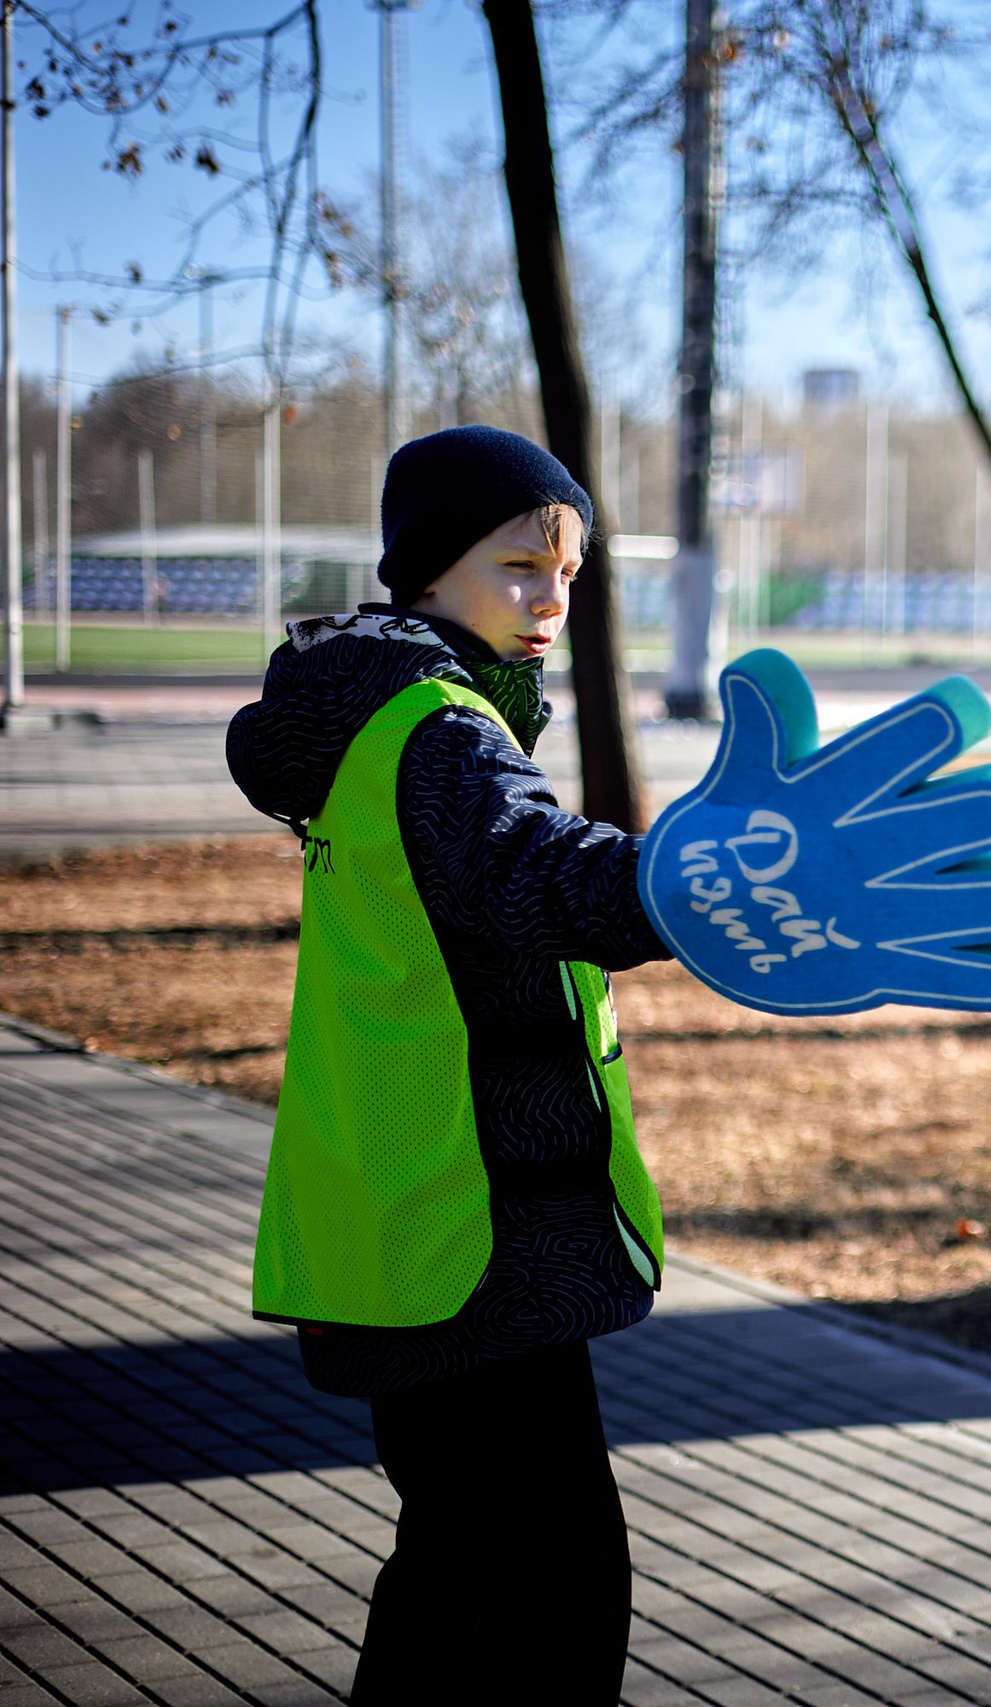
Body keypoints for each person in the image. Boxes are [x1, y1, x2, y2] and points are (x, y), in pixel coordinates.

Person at [229, 427, 667, 1704]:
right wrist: (691, 884)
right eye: (522, 566)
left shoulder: (400, 716)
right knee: (554, 1594)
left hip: (424, 1222)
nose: (550, 601)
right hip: (465, 1234)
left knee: (460, 1572)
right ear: (429, 569)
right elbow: (536, 874)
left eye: (568, 576)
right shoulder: (435, 728)